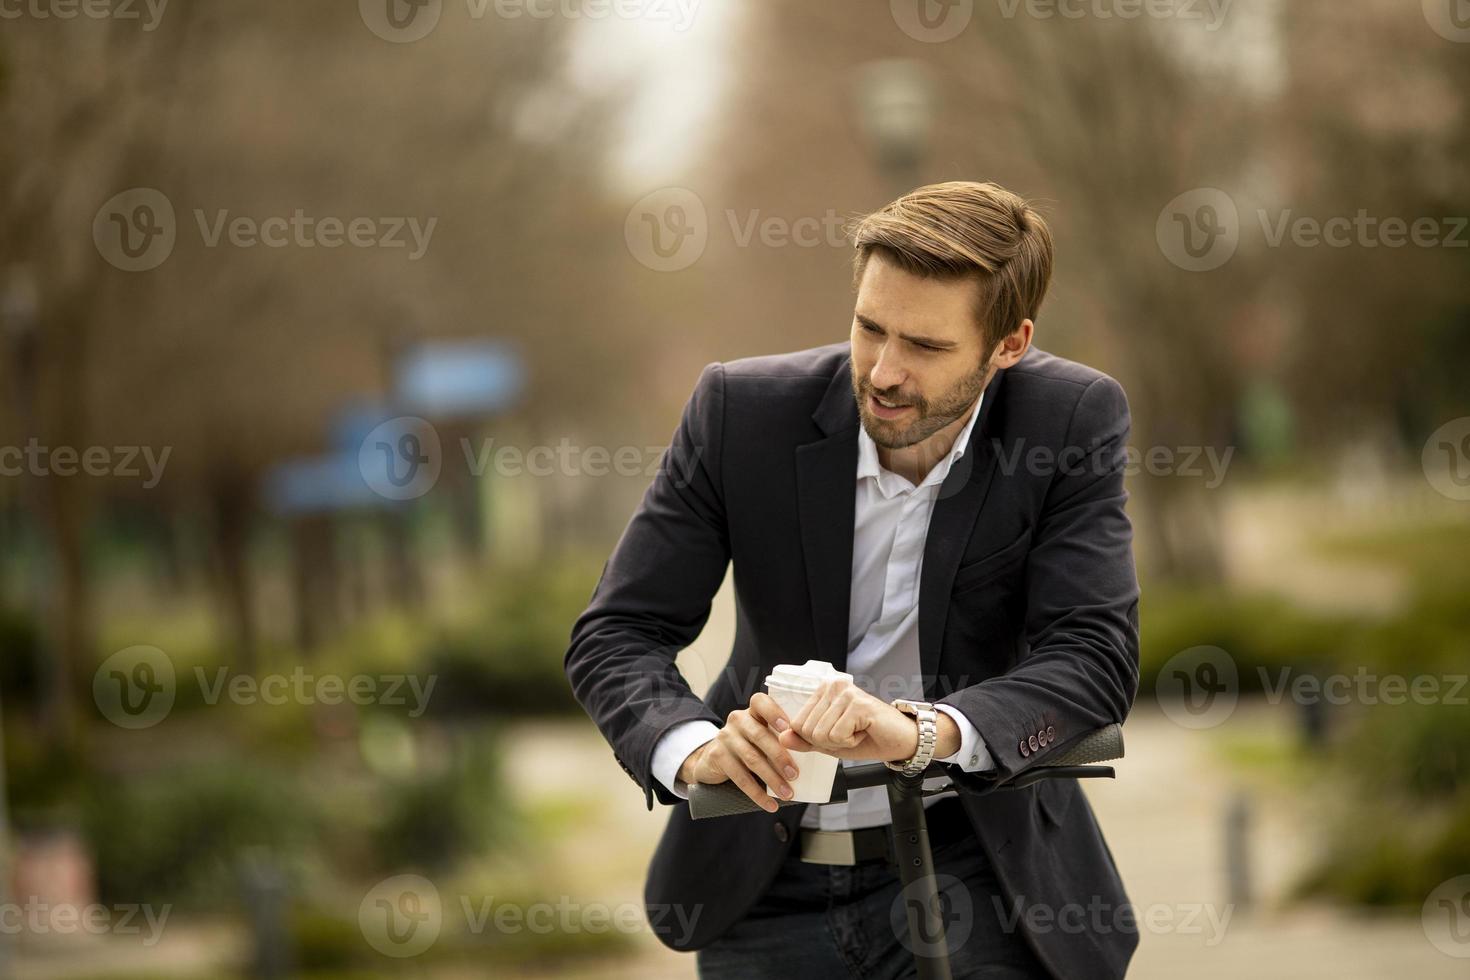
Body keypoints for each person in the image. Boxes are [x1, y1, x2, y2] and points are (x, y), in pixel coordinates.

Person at [565, 180, 1140, 979]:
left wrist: (921, 734)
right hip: (762, 885)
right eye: (870, 329)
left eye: (927, 347)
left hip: (978, 874)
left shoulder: (1069, 421)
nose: (884, 372)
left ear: (1008, 345)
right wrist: (694, 751)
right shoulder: (740, 412)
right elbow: (617, 631)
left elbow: (1093, 656)